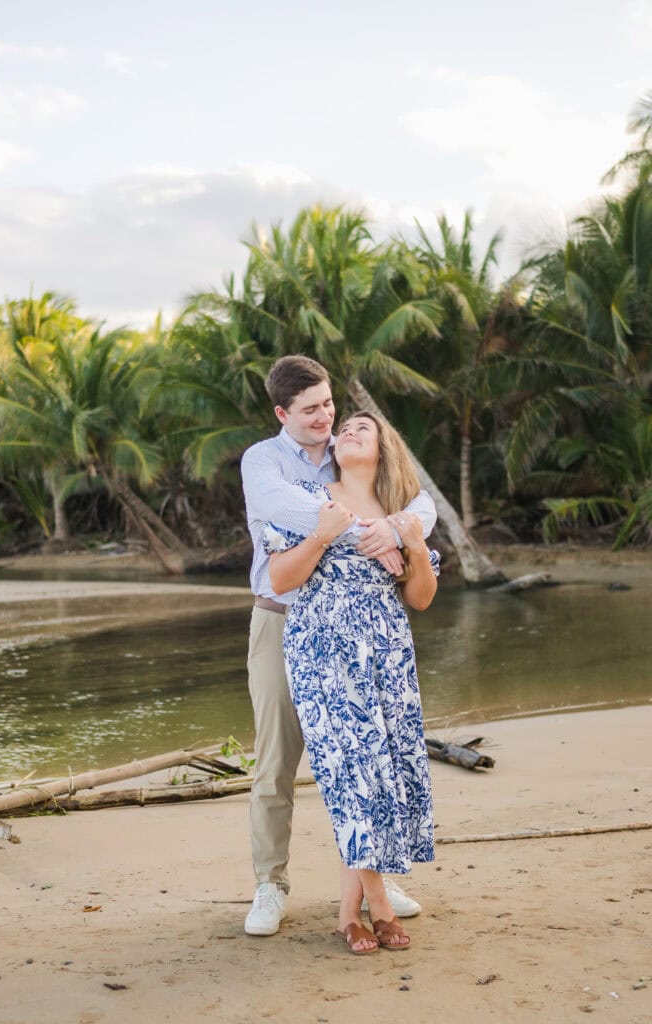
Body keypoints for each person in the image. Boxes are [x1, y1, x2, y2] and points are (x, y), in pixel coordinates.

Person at [239, 355, 437, 938]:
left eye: (329, 404)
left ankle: (376, 877)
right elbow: (287, 513)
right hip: (284, 619)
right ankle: (271, 883)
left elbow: (417, 501)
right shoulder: (264, 461)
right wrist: (369, 531)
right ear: (283, 414)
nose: (328, 417)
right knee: (277, 761)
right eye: (312, 411)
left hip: (363, 636)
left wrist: (400, 527)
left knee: (372, 754)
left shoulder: (348, 450)